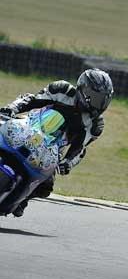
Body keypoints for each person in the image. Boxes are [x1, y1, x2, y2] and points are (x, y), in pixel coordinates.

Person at [0, 68, 113, 215]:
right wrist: (11, 109)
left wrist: (67, 163)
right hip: (28, 127)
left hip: (51, 151)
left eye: (103, 100)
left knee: (46, 186)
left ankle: (22, 200)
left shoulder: (95, 124)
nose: (99, 105)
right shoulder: (62, 90)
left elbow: (80, 149)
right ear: (83, 89)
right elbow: (31, 100)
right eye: (96, 98)